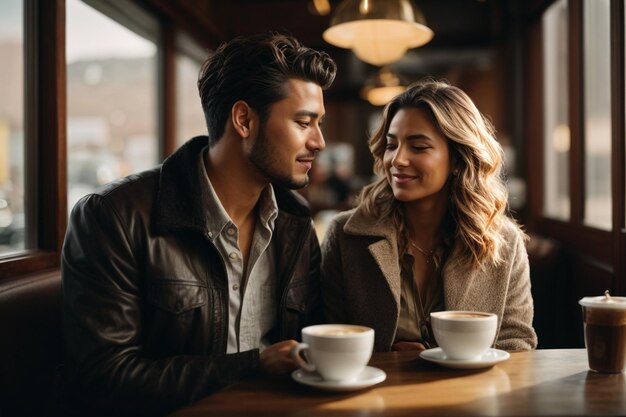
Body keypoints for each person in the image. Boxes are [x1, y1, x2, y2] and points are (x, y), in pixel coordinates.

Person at [61, 33, 336, 416]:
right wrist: (251, 367)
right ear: (244, 120)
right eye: (304, 122)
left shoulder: (295, 220)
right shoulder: (112, 217)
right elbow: (103, 376)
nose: (320, 141)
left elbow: (315, 340)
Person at [321, 80, 537, 353]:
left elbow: (517, 344)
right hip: (373, 393)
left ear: (458, 159)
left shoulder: (504, 242)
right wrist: (393, 360)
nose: (397, 160)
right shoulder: (346, 235)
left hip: (471, 393)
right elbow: (327, 337)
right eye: (391, 145)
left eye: (419, 147)